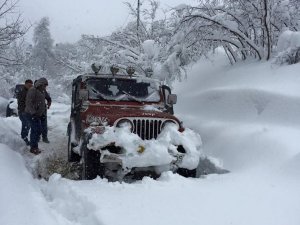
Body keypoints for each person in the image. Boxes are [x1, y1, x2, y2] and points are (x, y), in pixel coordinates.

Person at [25, 78, 48, 154]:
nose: (45, 87)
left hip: (37, 114)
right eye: (44, 85)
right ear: (40, 84)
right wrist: (33, 113)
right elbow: (29, 103)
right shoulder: (32, 90)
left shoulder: (42, 91)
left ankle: (35, 146)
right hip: (31, 114)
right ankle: (33, 148)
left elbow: (41, 103)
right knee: (35, 130)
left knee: (38, 130)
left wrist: (42, 115)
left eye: (46, 86)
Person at [16, 79, 33, 145]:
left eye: (31, 86)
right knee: (26, 124)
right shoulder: (22, 92)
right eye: (29, 85)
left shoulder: (29, 91)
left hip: (27, 112)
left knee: (26, 125)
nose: (30, 87)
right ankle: (24, 138)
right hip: (23, 112)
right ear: (25, 84)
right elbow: (21, 103)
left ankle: (24, 138)